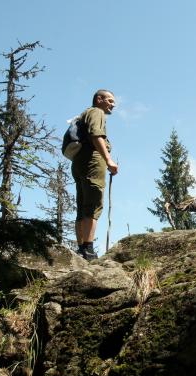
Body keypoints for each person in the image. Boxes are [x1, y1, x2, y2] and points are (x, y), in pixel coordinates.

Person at [72, 89, 118, 260]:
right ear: (99, 99)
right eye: (110, 101)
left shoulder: (84, 114)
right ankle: (88, 249)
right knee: (93, 203)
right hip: (92, 161)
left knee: (82, 204)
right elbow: (96, 135)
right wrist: (109, 160)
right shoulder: (97, 112)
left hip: (79, 162)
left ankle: (81, 249)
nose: (113, 105)